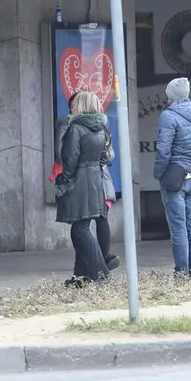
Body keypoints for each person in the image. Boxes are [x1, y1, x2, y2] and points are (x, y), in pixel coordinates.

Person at [54, 91, 113, 286]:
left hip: (79, 181)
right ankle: (81, 278)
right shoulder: (101, 128)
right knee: (81, 228)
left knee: (80, 230)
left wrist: (64, 179)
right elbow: (105, 157)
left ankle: (100, 271)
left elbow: (70, 158)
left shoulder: (76, 128)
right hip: (96, 180)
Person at [153, 78, 191, 276]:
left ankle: (181, 272)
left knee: (178, 226)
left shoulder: (168, 116)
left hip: (174, 175)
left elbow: (163, 151)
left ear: (171, 95)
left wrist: (159, 174)